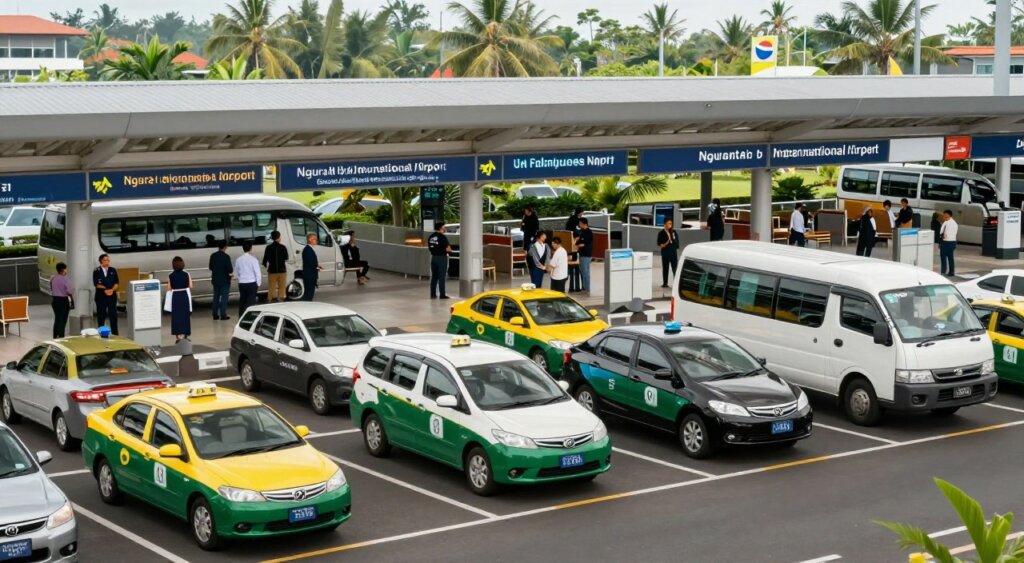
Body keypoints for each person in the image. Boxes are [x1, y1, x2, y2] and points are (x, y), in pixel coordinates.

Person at [167, 257, 193, 341]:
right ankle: (185, 334)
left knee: (176, 316)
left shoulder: (170, 275)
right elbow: (190, 286)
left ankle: (178, 336)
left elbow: (169, 288)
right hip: (184, 295)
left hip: (175, 296)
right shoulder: (186, 274)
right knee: (185, 315)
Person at [93, 254, 119, 335]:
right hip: (101, 296)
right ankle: (102, 333)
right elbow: (96, 284)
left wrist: (111, 290)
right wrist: (105, 289)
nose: (107, 262)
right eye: (105, 260)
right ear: (101, 261)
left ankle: (115, 333)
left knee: (113, 315)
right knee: (101, 315)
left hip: (111, 296)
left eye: (108, 260)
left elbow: (117, 283)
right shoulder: (96, 271)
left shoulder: (113, 270)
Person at [208, 241, 233, 321]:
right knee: (224, 298)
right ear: (225, 247)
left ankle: (215, 314)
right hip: (225, 280)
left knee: (216, 297)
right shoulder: (226, 257)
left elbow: (210, 267)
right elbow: (230, 269)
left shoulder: (213, 255)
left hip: (215, 279)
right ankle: (223, 315)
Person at [235, 241, 261, 316]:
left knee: (242, 301)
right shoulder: (253, 259)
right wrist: (258, 283)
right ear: (251, 248)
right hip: (251, 283)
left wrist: (240, 279)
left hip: (242, 283)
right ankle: (249, 318)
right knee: (251, 302)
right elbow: (257, 273)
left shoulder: (238, 259)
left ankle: (241, 317)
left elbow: (236, 272)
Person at [262, 230, 289, 303]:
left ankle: (271, 300)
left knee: (271, 288)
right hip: (282, 271)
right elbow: (286, 258)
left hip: (272, 271)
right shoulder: (283, 247)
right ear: (279, 237)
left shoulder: (268, 247)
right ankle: (281, 300)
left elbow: (264, 260)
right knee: (282, 288)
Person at [427, 222, 452, 299]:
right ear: (441, 228)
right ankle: (442, 294)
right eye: (444, 227)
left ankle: (433, 294)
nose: (445, 228)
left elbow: (430, 247)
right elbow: (448, 249)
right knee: (442, 277)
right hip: (442, 258)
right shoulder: (443, 237)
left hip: (433, 258)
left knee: (434, 276)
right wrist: (449, 251)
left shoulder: (431, 237)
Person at [50, 262, 73, 338]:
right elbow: (69, 292)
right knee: (63, 320)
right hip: (63, 301)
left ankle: (55, 336)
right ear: (63, 270)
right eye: (66, 269)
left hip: (55, 301)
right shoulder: (65, 279)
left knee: (57, 319)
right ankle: (61, 337)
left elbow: (51, 288)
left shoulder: (53, 278)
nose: (66, 271)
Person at [657, 219, 680, 288]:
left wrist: (672, 237)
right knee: (665, 268)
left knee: (675, 268)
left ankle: (676, 283)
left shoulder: (674, 232)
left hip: (673, 252)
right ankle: (665, 283)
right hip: (665, 253)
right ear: (665, 224)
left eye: (671, 223)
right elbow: (660, 244)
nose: (670, 224)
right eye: (669, 223)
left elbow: (677, 242)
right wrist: (667, 241)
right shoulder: (661, 233)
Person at [301, 233, 322, 301]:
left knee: (310, 293)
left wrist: (317, 266)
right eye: (315, 239)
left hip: (310, 274)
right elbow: (310, 262)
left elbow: (311, 261)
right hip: (309, 275)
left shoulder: (310, 249)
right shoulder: (308, 250)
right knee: (309, 294)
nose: (316, 241)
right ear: (310, 239)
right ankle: (307, 307)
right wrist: (317, 267)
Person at [576, 217, 593, 296]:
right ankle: (584, 288)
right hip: (582, 254)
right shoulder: (582, 232)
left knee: (585, 273)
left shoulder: (588, 232)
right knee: (583, 272)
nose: (579, 225)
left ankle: (587, 289)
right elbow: (579, 241)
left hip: (586, 255)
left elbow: (585, 243)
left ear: (583, 224)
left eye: (580, 223)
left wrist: (578, 246)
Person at [940, 209, 959, 276]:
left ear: (949, 215)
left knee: (943, 257)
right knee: (950, 257)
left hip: (946, 242)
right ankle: (951, 272)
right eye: (944, 216)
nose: (944, 217)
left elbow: (943, 233)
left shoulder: (948, 223)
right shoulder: (954, 223)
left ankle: (943, 271)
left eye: (945, 216)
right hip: (952, 242)